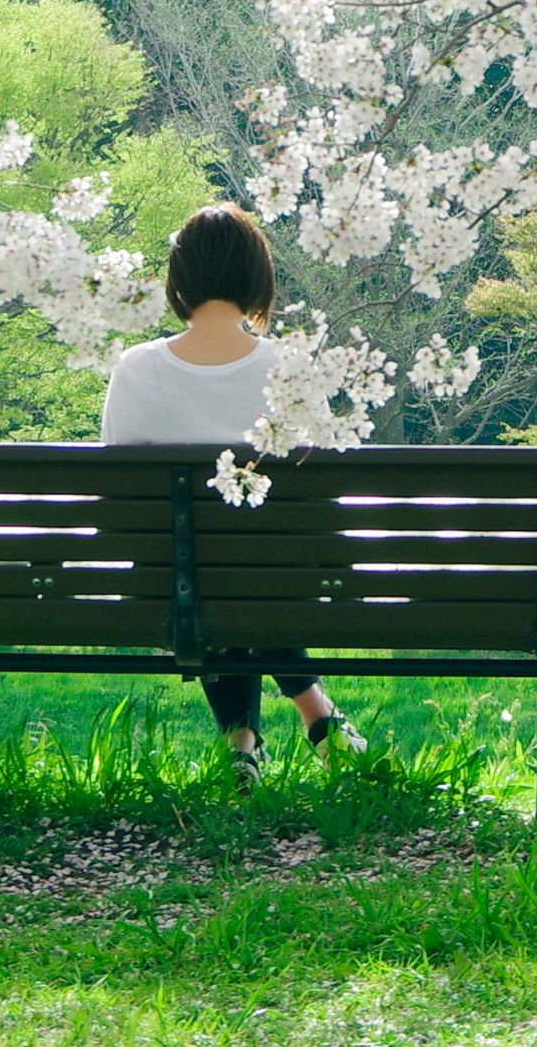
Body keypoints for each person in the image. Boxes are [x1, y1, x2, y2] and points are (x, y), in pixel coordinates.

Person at [100, 203, 365, 784]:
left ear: (179, 282)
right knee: (253, 559)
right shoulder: (292, 366)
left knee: (205, 564)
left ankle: (243, 743)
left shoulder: (136, 368)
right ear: (257, 279)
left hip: (164, 582)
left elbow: (120, 506)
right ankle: (318, 721)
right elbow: (317, 505)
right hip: (287, 579)